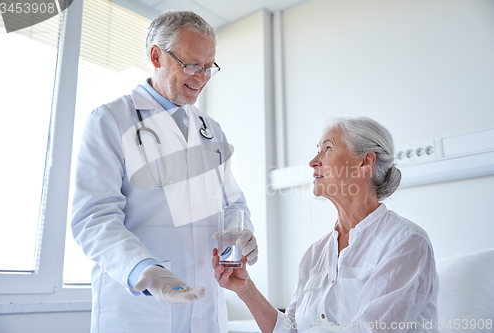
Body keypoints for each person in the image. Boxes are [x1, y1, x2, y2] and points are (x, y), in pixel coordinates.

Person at [71, 10, 258, 333]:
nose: (200, 77)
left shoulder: (210, 130)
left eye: (208, 67)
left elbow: (232, 203)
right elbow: (94, 219)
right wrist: (144, 269)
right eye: (190, 65)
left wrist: (242, 234)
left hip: (207, 312)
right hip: (141, 312)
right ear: (156, 56)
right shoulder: (111, 121)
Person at [213, 117, 439, 333]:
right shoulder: (315, 254)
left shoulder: (406, 242)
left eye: (327, 149)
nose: (313, 161)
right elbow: (291, 329)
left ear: (365, 162)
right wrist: (246, 289)